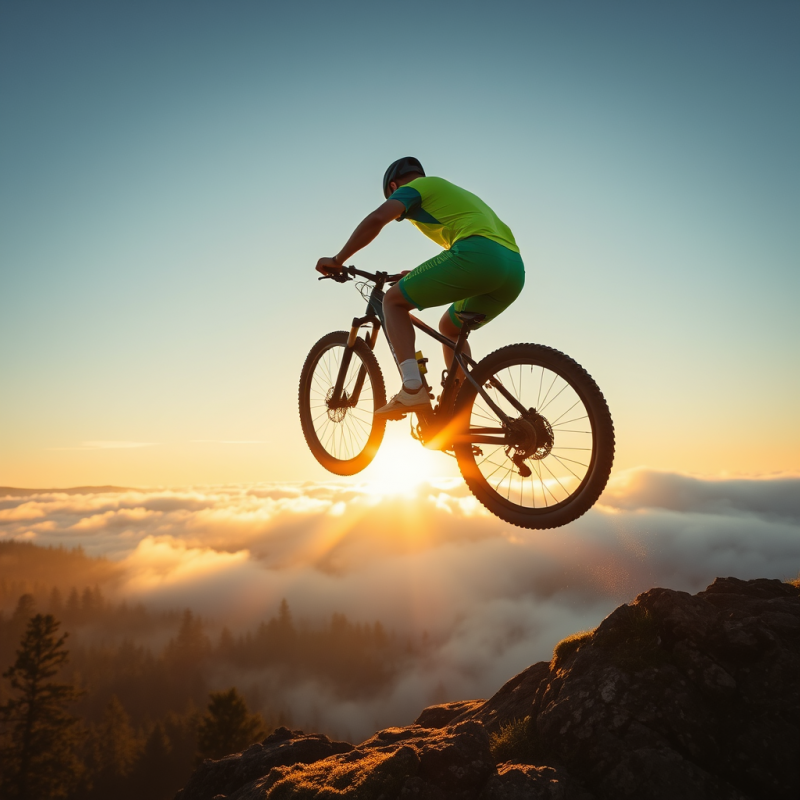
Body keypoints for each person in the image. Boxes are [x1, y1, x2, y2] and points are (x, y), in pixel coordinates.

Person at [315, 157, 524, 416]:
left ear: (393, 187)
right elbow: (469, 242)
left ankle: (413, 389)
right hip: (512, 268)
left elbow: (377, 219)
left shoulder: (414, 189)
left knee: (392, 301)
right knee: (450, 327)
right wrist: (419, 274)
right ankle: (458, 403)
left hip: (477, 254)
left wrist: (338, 260)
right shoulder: (448, 191)